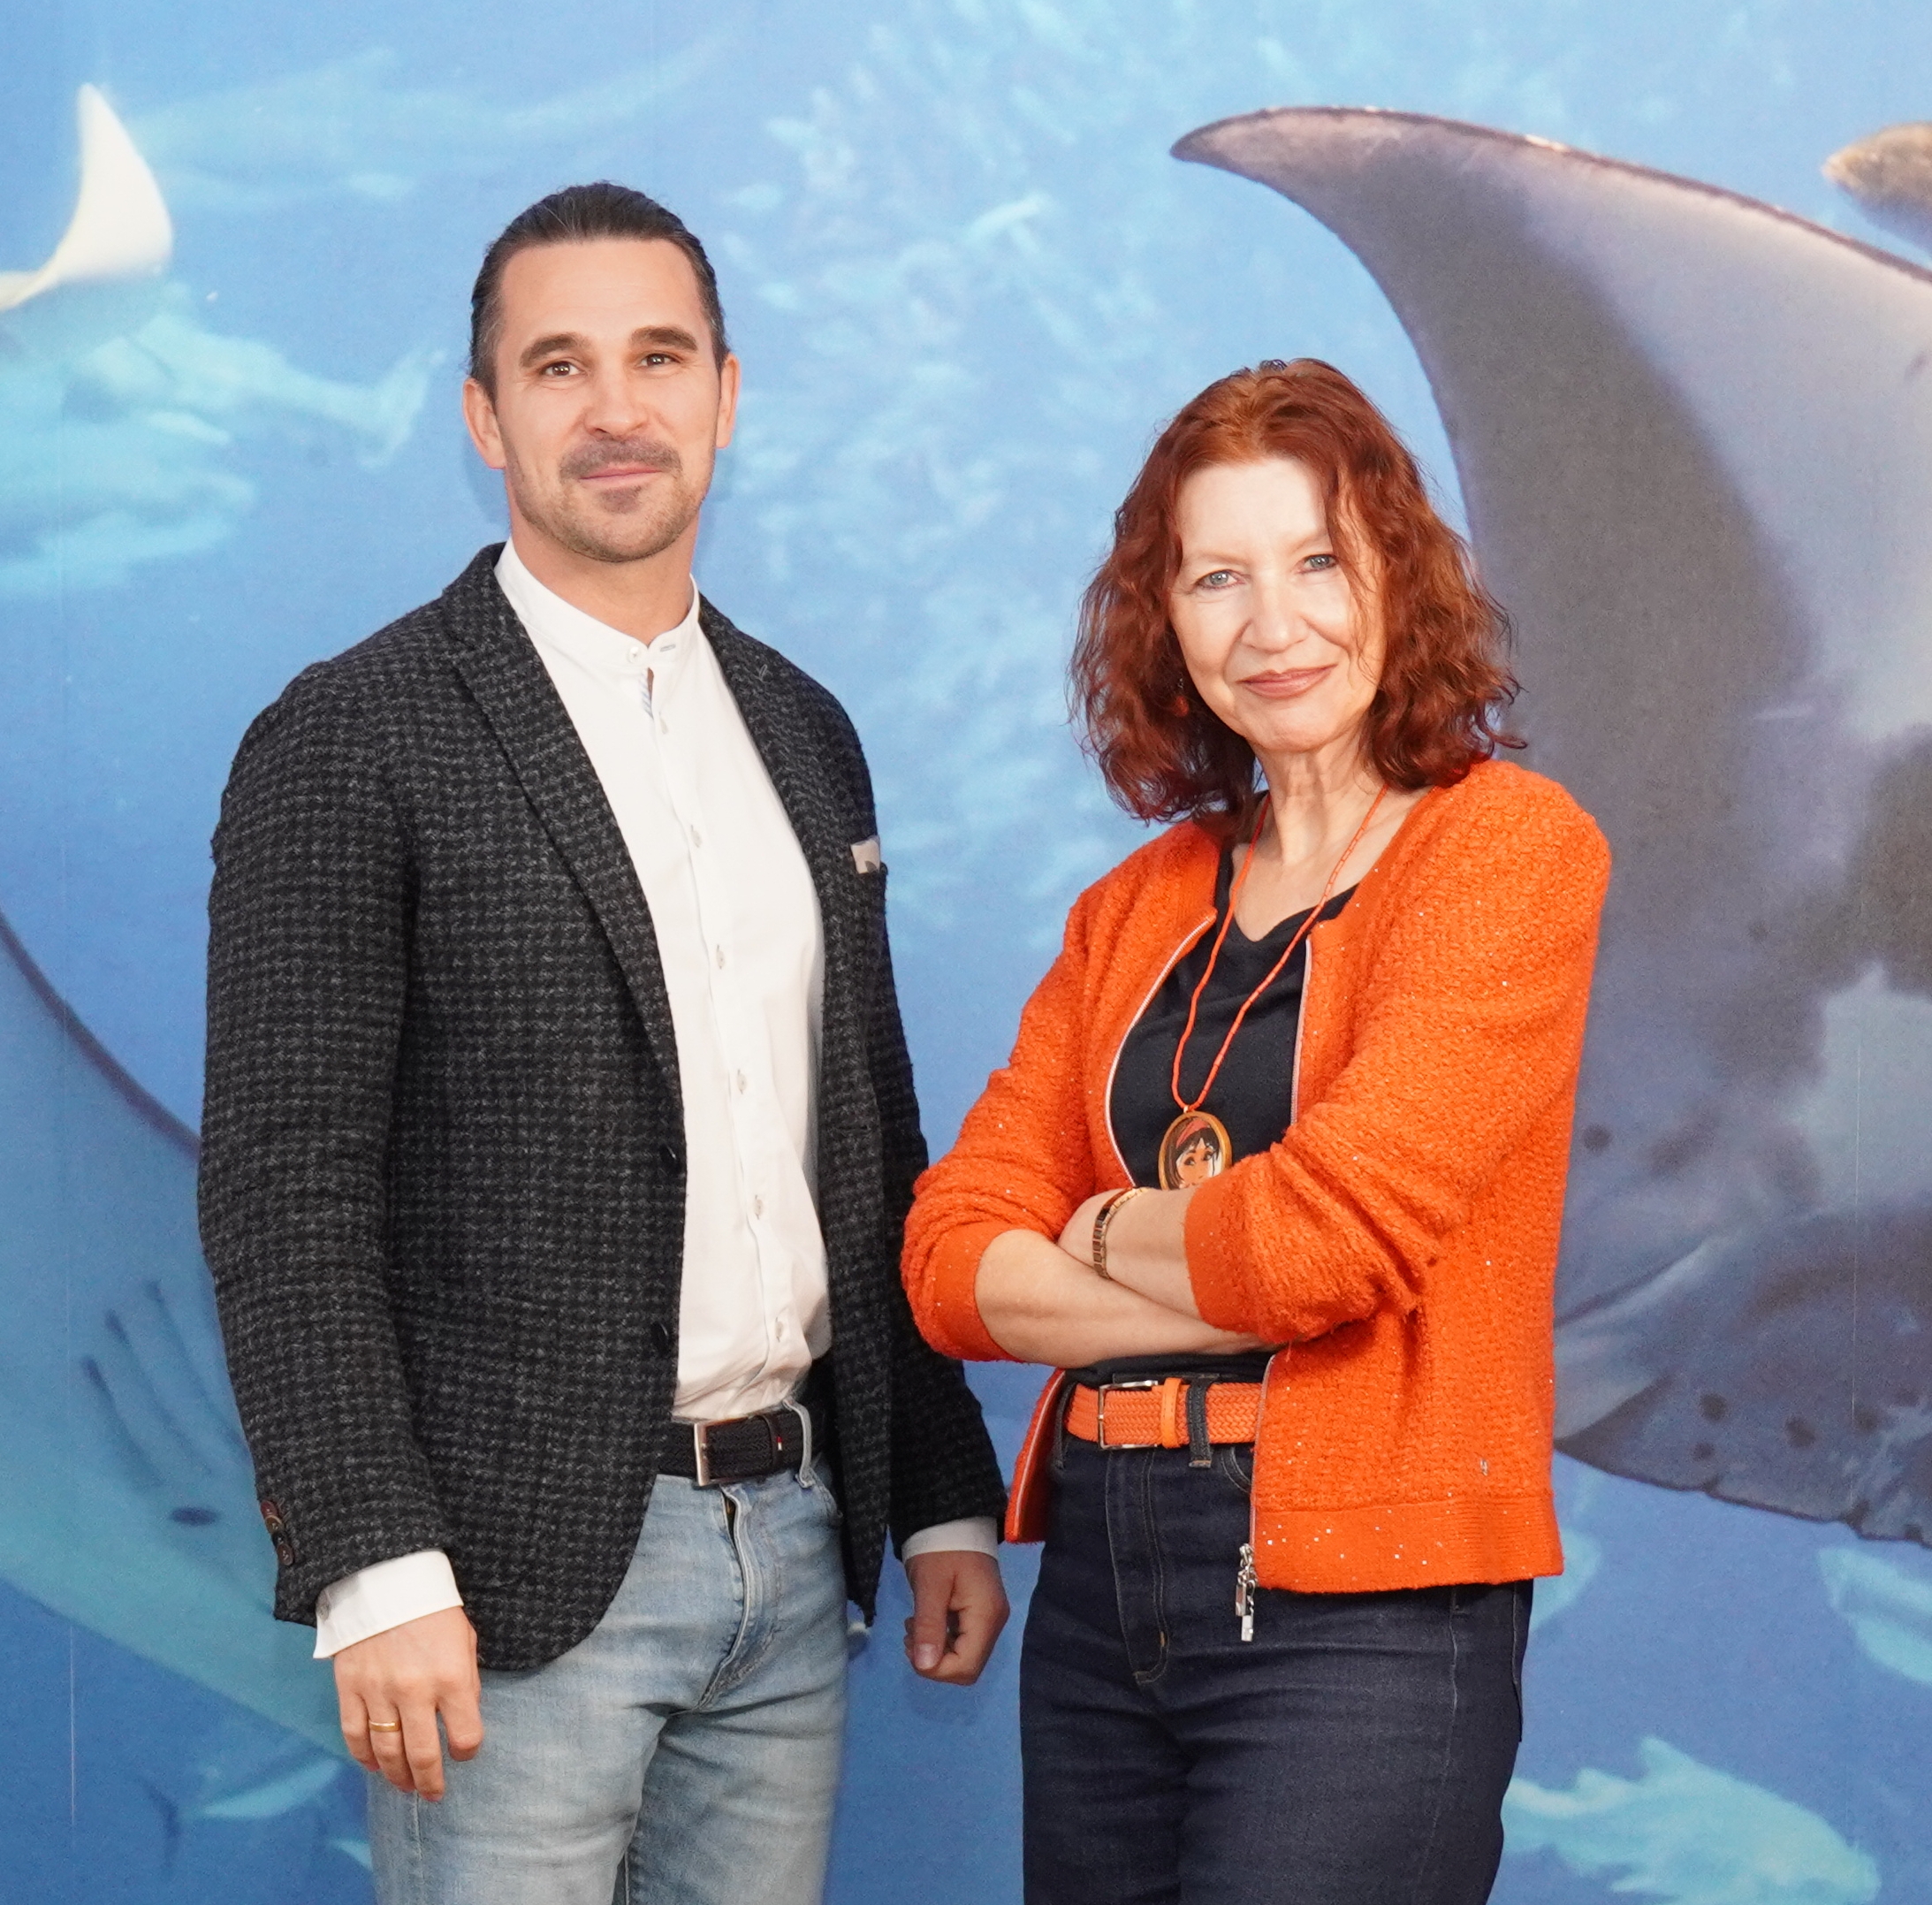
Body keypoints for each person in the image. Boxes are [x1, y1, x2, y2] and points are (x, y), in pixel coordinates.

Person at [200, 182, 1009, 1905]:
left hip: (798, 1546)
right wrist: (370, 1560)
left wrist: (940, 1491)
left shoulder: (804, 730)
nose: (616, 407)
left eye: (658, 356)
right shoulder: (350, 734)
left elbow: (866, 1138)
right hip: (505, 1581)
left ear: (728, 392)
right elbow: (284, 1189)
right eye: (558, 365)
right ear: (484, 416)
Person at [903, 359, 1610, 1904]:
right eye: (1215, 578)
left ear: (1397, 578)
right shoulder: (1132, 904)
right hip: (1097, 1585)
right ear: (1161, 620)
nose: (1270, 625)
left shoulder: (1506, 852)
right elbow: (949, 1260)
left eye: (1316, 563)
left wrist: (1094, 1226)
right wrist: (1232, 1268)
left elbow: (1322, 1247)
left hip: (1364, 1609)